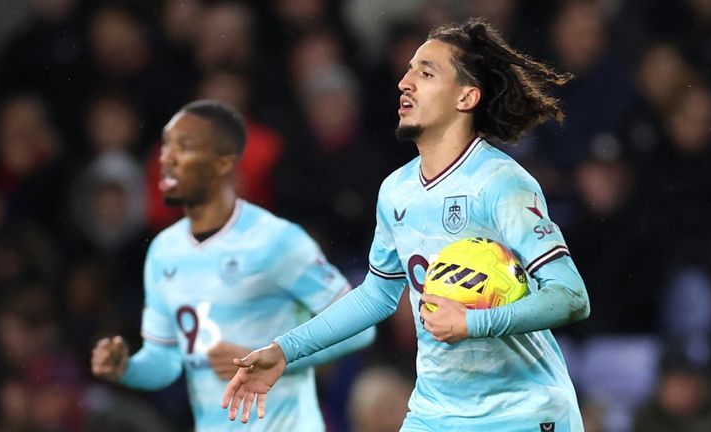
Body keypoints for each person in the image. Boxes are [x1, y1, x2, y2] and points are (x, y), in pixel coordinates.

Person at [222, 17, 591, 431]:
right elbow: (377, 295)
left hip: (520, 411)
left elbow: (571, 296)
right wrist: (285, 349)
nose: (405, 82)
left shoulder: (500, 182)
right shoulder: (396, 190)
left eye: (426, 72)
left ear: (466, 97)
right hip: (435, 414)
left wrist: (472, 323)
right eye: (409, 69)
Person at [90, 100, 375, 432]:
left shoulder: (275, 240)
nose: (166, 158)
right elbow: (165, 361)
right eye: (167, 146)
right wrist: (127, 368)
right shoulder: (163, 252)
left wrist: (281, 356)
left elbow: (359, 327)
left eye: (185, 147)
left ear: (223, 165)